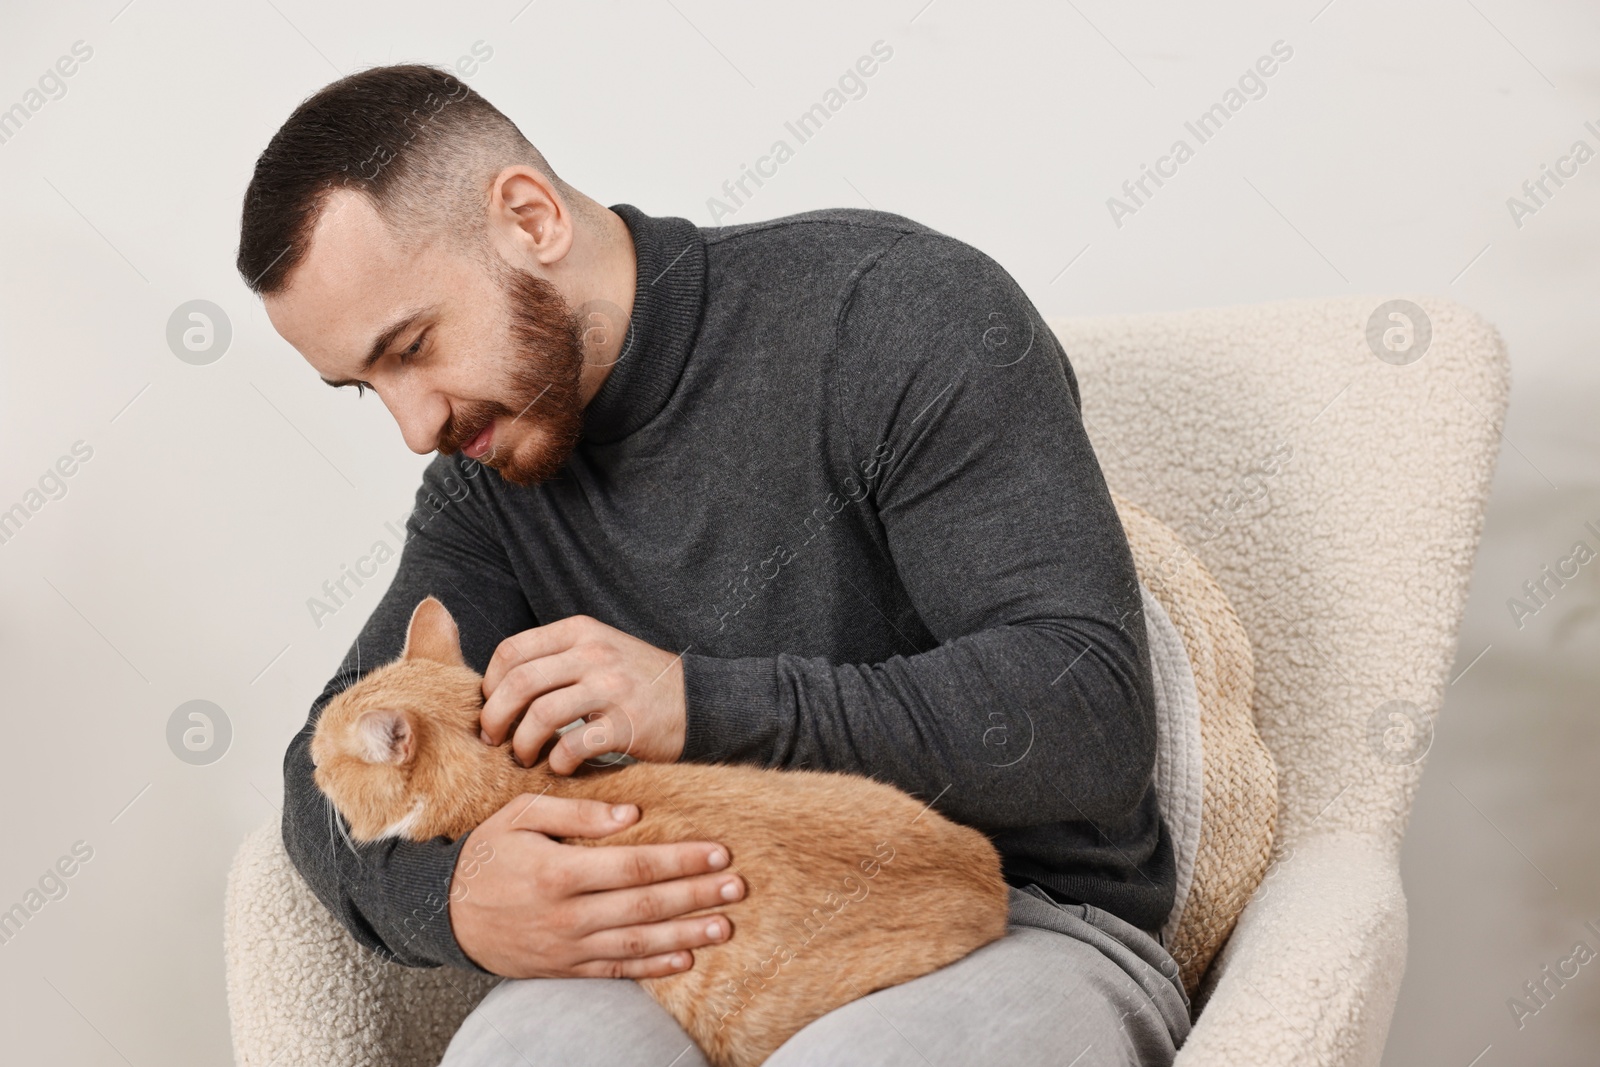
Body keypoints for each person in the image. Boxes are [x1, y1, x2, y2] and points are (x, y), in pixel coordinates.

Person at [237, 63, 1189, 1065]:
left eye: (414, 344)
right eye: (364, 386)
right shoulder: (487, 480)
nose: (415, 423)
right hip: (673, 931)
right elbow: (324, 762)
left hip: (1006, 914)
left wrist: (697, 701)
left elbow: (1088, 709)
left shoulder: (896, 313)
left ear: (528, 217)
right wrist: (456, 898)